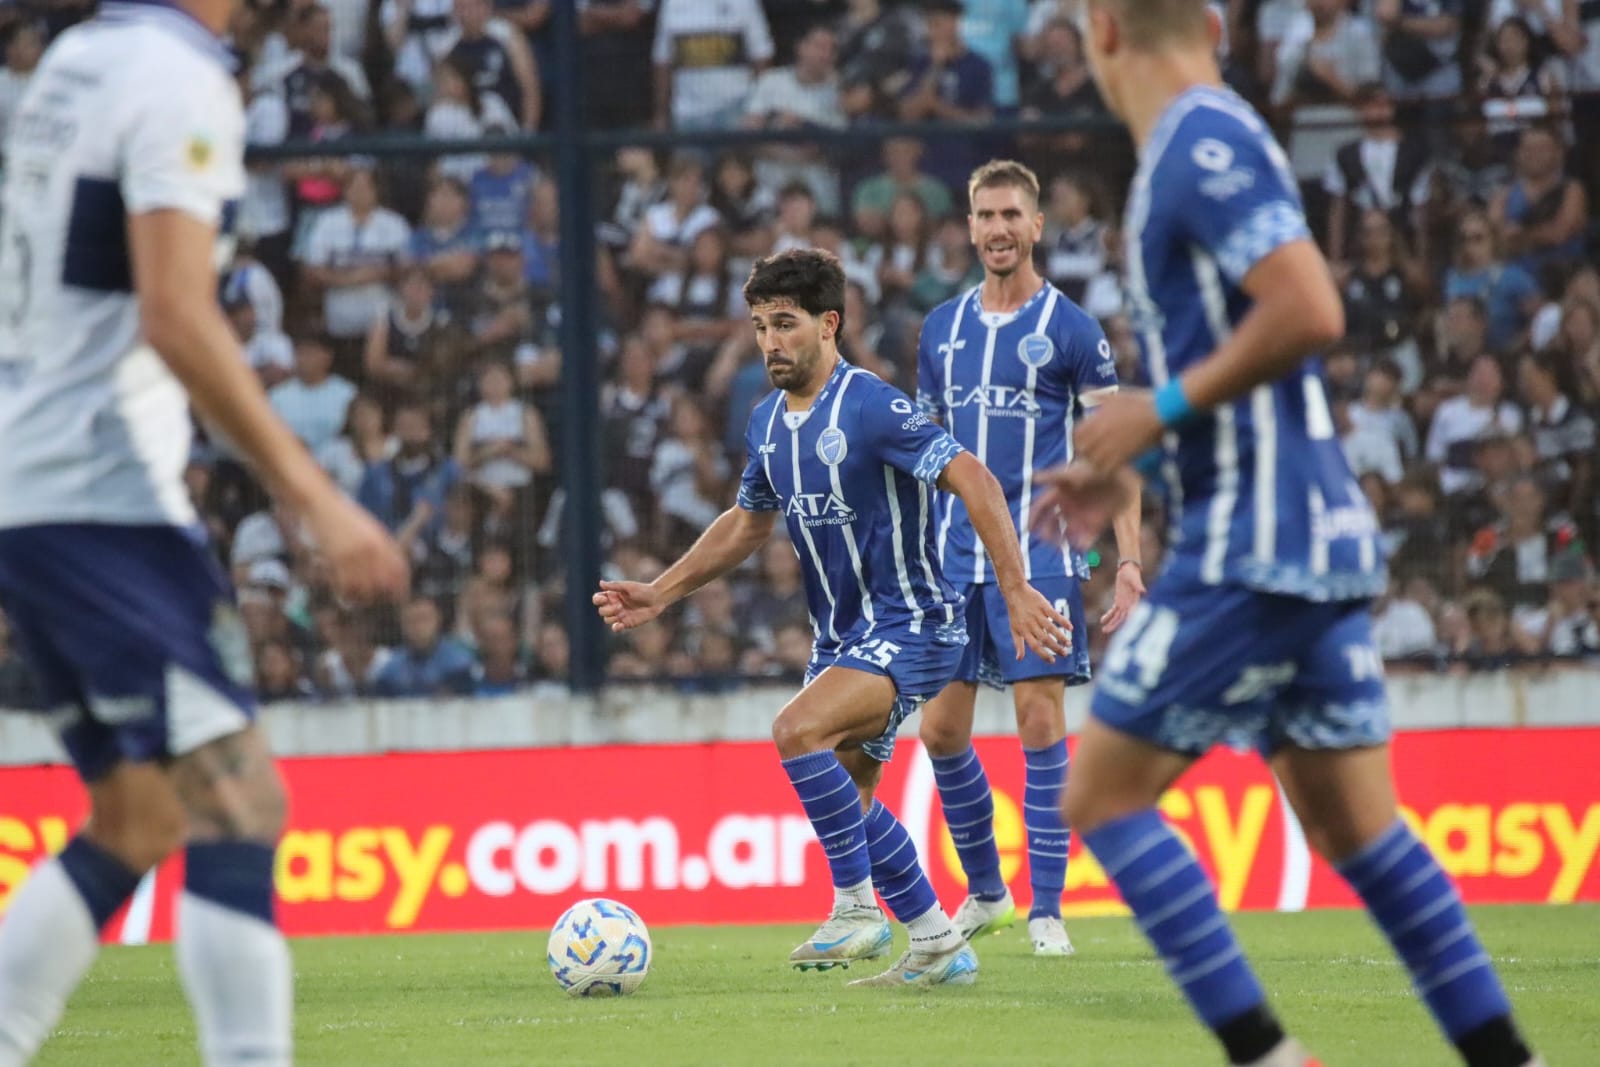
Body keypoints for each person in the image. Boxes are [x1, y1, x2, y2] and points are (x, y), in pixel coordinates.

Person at [1028, 2, 1545, 1066]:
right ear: (1212, 25)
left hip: (1257, 540)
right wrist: (1132, 457)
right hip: (1306, 530)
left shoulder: (1197, 140)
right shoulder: (1208, 134)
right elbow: (1250, 352)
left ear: (1106, 31)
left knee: (1100, 793)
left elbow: (1309, 305)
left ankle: (1269, 1056)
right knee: (1352, 827)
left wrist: (1157, 410)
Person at [0, 0, 409, 1064]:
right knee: (239, 796)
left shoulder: (75, 61)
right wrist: (313, 494)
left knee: (137, 817)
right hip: (103, 492)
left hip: (41, 483)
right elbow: (176, 313)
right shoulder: (178, 76)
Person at [594, 249, 1073, 987]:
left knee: (796, 730)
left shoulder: (874, 405)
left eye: (784, 324)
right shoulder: (766, 422)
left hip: (916, 625)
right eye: (758, 326)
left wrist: (1013, 589)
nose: (769, 342)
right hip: (844, 636)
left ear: (829, 324)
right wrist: (662, 590)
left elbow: (973, 476)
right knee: (847, 798)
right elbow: (748, 524)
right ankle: (937, 940)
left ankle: (855, 907)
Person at [914, 159, 1144, 957]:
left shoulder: (1075, 330)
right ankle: (987, 892)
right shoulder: (940, 329)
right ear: (970, 225)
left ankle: (1048, 909)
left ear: (1037, 225)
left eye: (1012, 214)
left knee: (1038, 716)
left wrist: (1127, 561)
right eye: (985, 215)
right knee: (940, 729)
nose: (998, 229)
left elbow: (1114, 457)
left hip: (1045, 550)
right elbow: (926, 451)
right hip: (951, 556)